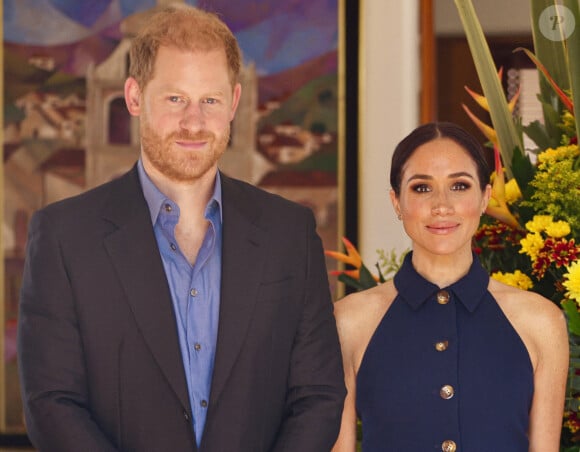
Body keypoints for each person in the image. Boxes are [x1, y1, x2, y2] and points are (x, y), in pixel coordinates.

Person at [17, 4, 346, 451]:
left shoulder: (290, 234)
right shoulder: (63, 238)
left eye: (209, 100)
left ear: (232, 102)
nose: (194, 121)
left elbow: (318, 395)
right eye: (175, 99)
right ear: (134, 97)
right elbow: (51, 404)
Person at [332, 122, 569, 452]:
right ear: (396, 201)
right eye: (421, 188)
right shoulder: (349, 321)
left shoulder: (541, 321)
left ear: (485, 197)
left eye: (459, 186)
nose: (441, 205)